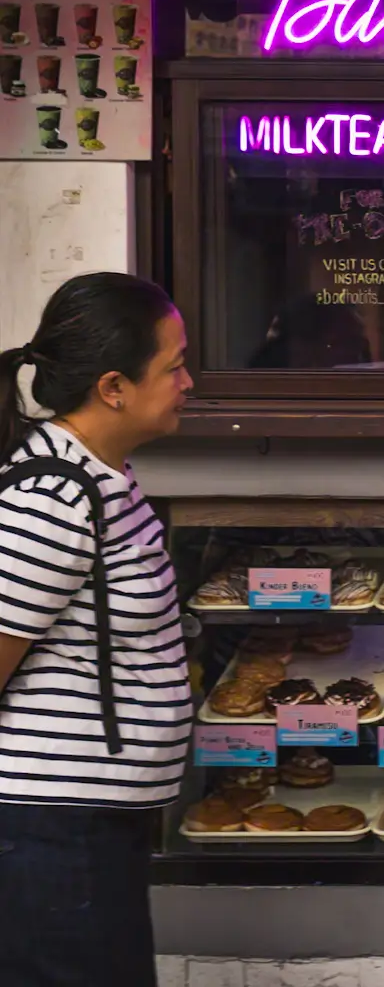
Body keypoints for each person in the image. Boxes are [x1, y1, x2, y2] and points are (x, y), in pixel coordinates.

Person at [0, 272, 194, 987]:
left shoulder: (105, 476)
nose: (188, 381)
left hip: (91, 824)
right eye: (172, 366)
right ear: (114, 387)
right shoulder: (51, 501)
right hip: (48, 831)